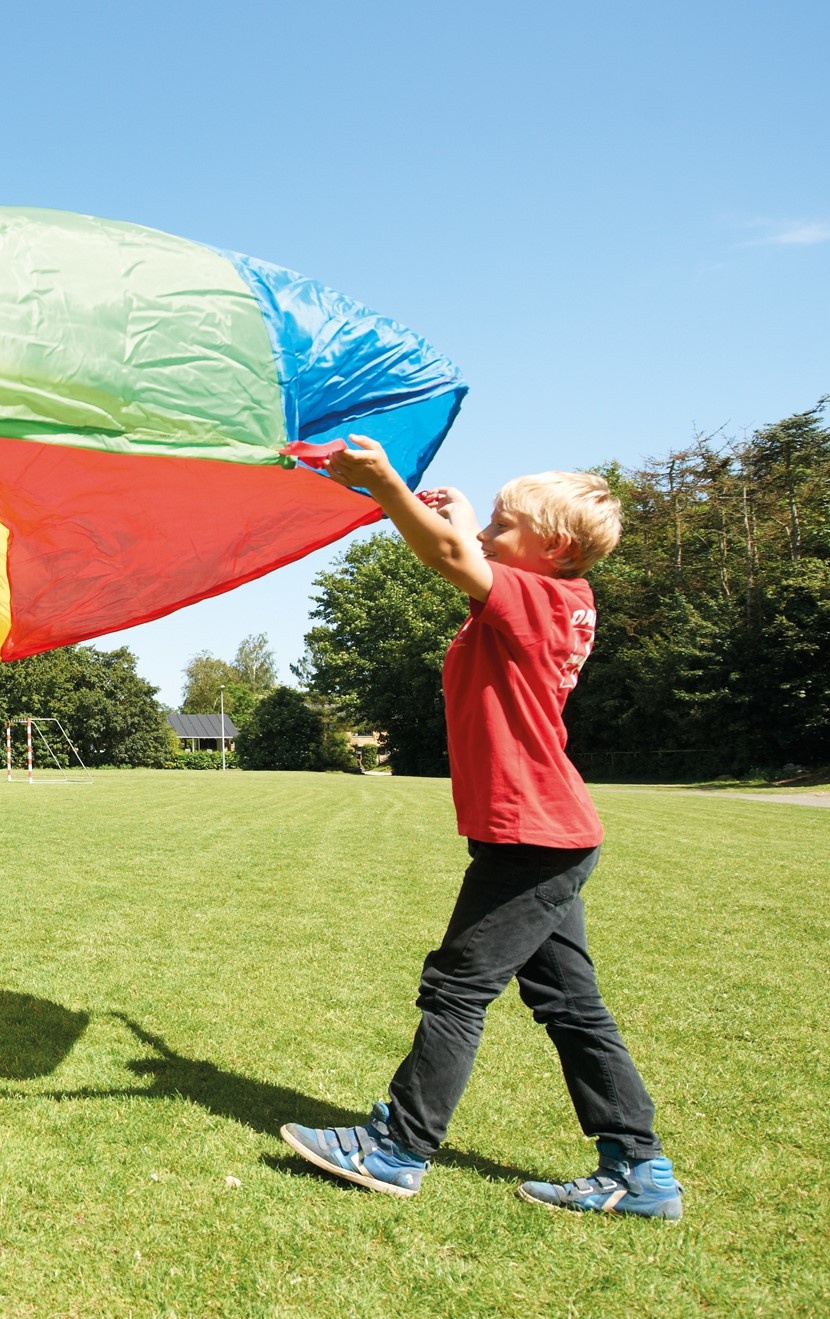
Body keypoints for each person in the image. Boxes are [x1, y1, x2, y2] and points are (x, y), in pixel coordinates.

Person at [280, 436, 683, 1220]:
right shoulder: (552, 599)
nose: (488, 536)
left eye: (505, 525)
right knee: (571, 1004)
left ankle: (395, 1149)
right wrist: (470, 518)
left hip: (532, 836)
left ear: (553, 548)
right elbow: (468, 558)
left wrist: (387, 485)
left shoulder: (538, 600)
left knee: (457, 987)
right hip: (547, 830)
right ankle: (640, 1170)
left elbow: (450, 560)